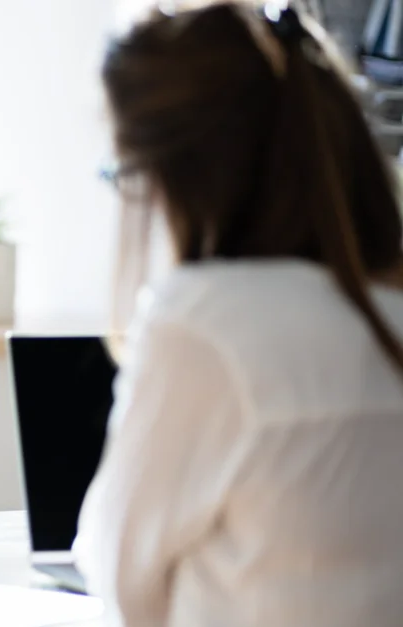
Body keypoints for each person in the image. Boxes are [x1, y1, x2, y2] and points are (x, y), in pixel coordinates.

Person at [73, 2, 403, 625]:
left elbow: (123, 585)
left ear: (180, 174)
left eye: (125, 173)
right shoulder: (389, 310)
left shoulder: (205, 323)